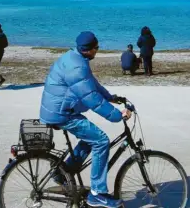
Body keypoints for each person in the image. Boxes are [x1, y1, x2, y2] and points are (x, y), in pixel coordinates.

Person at [39, 31, 132, 208]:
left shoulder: (76, 58)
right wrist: (117, 115)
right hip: (61, 113)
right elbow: (92, 99)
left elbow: (92, 85)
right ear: (88, 50)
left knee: (91, 139)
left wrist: (110, 97)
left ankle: (62, 173)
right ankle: (97, 194)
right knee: (101, 141)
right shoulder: (77, 68)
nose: (98, 50)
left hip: (58, 109)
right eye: (96, 47)